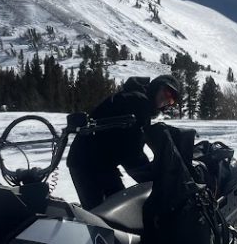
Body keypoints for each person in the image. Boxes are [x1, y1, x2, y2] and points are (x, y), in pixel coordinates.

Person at [67, 74, 181, 209]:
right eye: (166, 92)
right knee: (105, 217)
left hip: (100, 163)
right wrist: (155, 181)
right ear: (156, 87)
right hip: (88, 164)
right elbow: (130, 153)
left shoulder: (136, 99)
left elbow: (127, 145)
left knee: (119, 209)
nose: (166, 100)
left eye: (171, 100)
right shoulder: (137, 102)